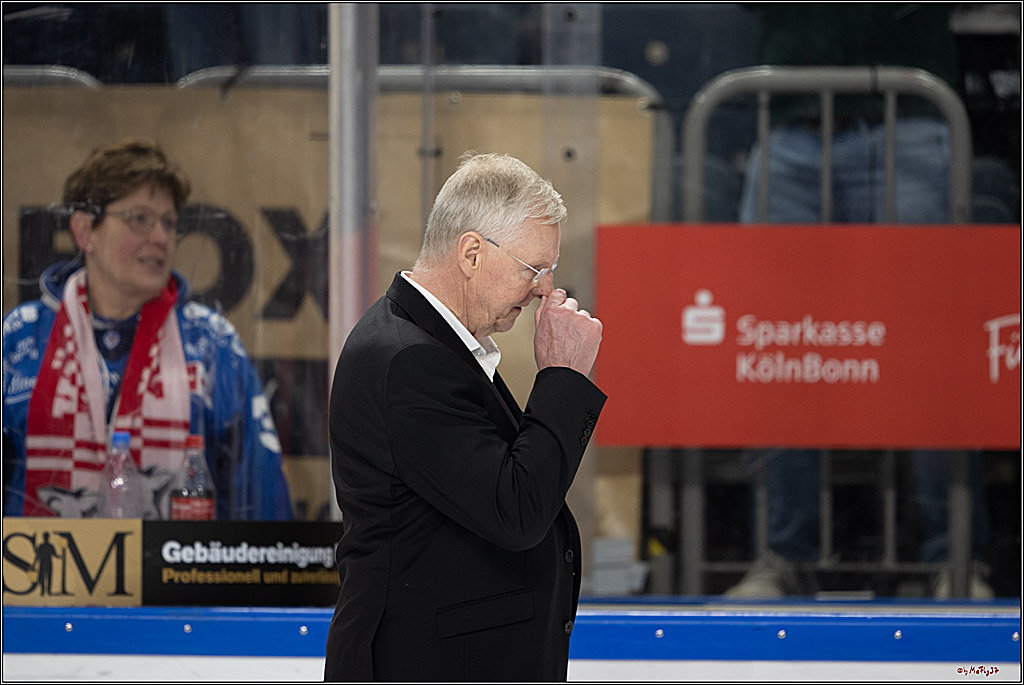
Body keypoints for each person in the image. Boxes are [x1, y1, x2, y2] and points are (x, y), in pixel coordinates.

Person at [725, 4, 992, 599]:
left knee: (934, 345)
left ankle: (955, 558)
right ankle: (783, 556)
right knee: (773, 346)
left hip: (912, 114)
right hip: (789, 119)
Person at [324, 152, 605, 681]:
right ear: (472, 253)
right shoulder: (409, 361)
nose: (545, 289)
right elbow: (516, 509)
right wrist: (563, 377)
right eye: (534, 269)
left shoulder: (429, 347)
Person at [2, 139, 292, 520]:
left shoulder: (212, 342)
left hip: (183, 560)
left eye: (168, 223)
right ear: (84, 231)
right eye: (139, 219)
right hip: (36, 560)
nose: (160, 238)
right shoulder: (18, 337)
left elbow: (262, 503)